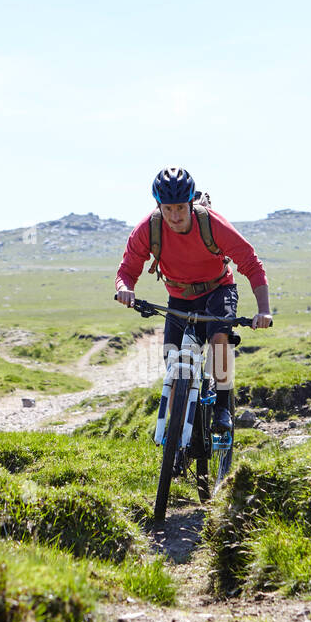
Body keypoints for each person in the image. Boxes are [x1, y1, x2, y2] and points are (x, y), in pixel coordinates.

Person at [115, 167, 272, 432]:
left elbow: (251, 263)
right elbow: (127, 270)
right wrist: (124, 288)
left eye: (180, 208)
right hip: (179, 297)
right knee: (173, 365)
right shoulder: (148, 229)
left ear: (190, 203)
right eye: (168, 209)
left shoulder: (212, 223)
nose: (174, 216)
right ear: (158, 206)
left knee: (219, 337)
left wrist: (264, 310)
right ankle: (175, 444)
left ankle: (223, 407)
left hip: (218, 289)